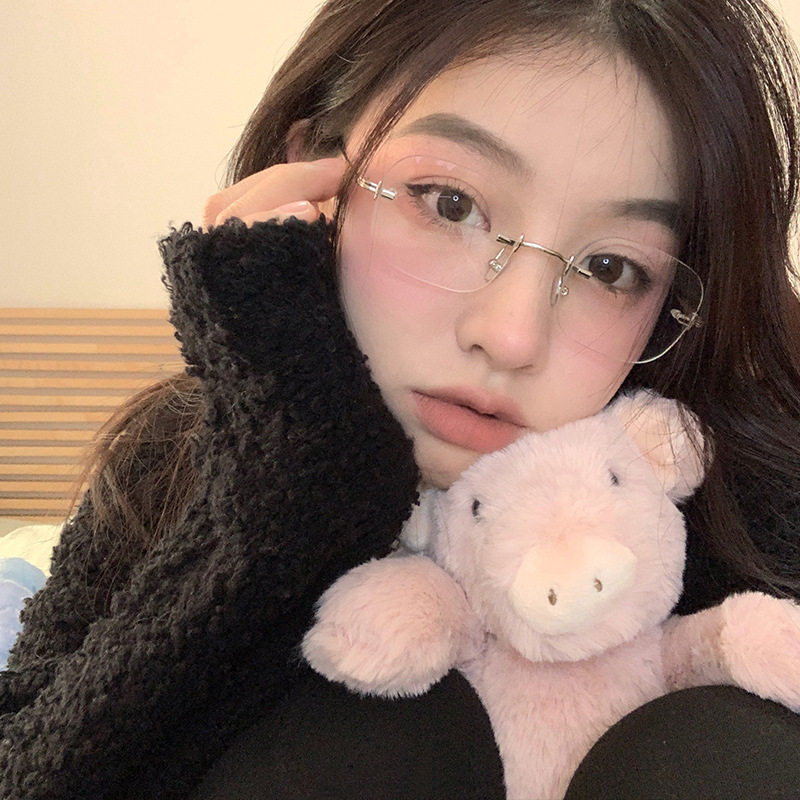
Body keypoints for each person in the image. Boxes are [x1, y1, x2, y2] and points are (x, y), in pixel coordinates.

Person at [3, 0, 800, 798]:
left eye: (610, 269)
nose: (512, 336)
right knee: (374, 733)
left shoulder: (731, 500)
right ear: (315, 172)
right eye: (448, 203)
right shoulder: (178, 462)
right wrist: (284, 479)